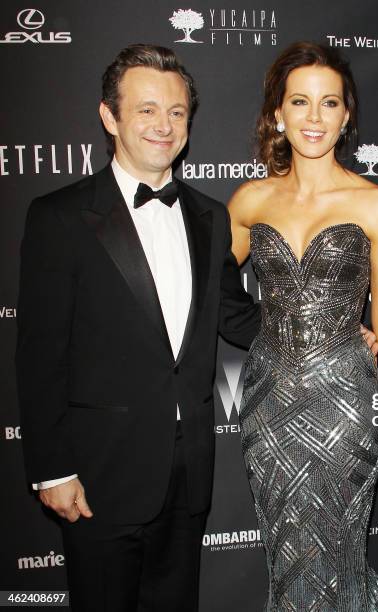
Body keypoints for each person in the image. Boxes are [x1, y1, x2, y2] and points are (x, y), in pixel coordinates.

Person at [15, 44, 261, 612]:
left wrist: (330, 334)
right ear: (110, 116)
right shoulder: (59, 217)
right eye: (146, 109)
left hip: (188, 471)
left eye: (176, 112)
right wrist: (52, 468)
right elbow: (39, 355)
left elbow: (234, 312)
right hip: (99, 475)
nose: (164, 125)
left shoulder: (210, 215)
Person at [228, 42, 378, 611]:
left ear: (346, 115)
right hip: (271, 405)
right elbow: (204, 295)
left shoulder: (377, 205)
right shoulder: (249, 201)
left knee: (339, 557)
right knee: (288, 559)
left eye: (329, 103)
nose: (314, 117)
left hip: (347, 403)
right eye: (300, 102)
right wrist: (271, 328)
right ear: (277, 115)